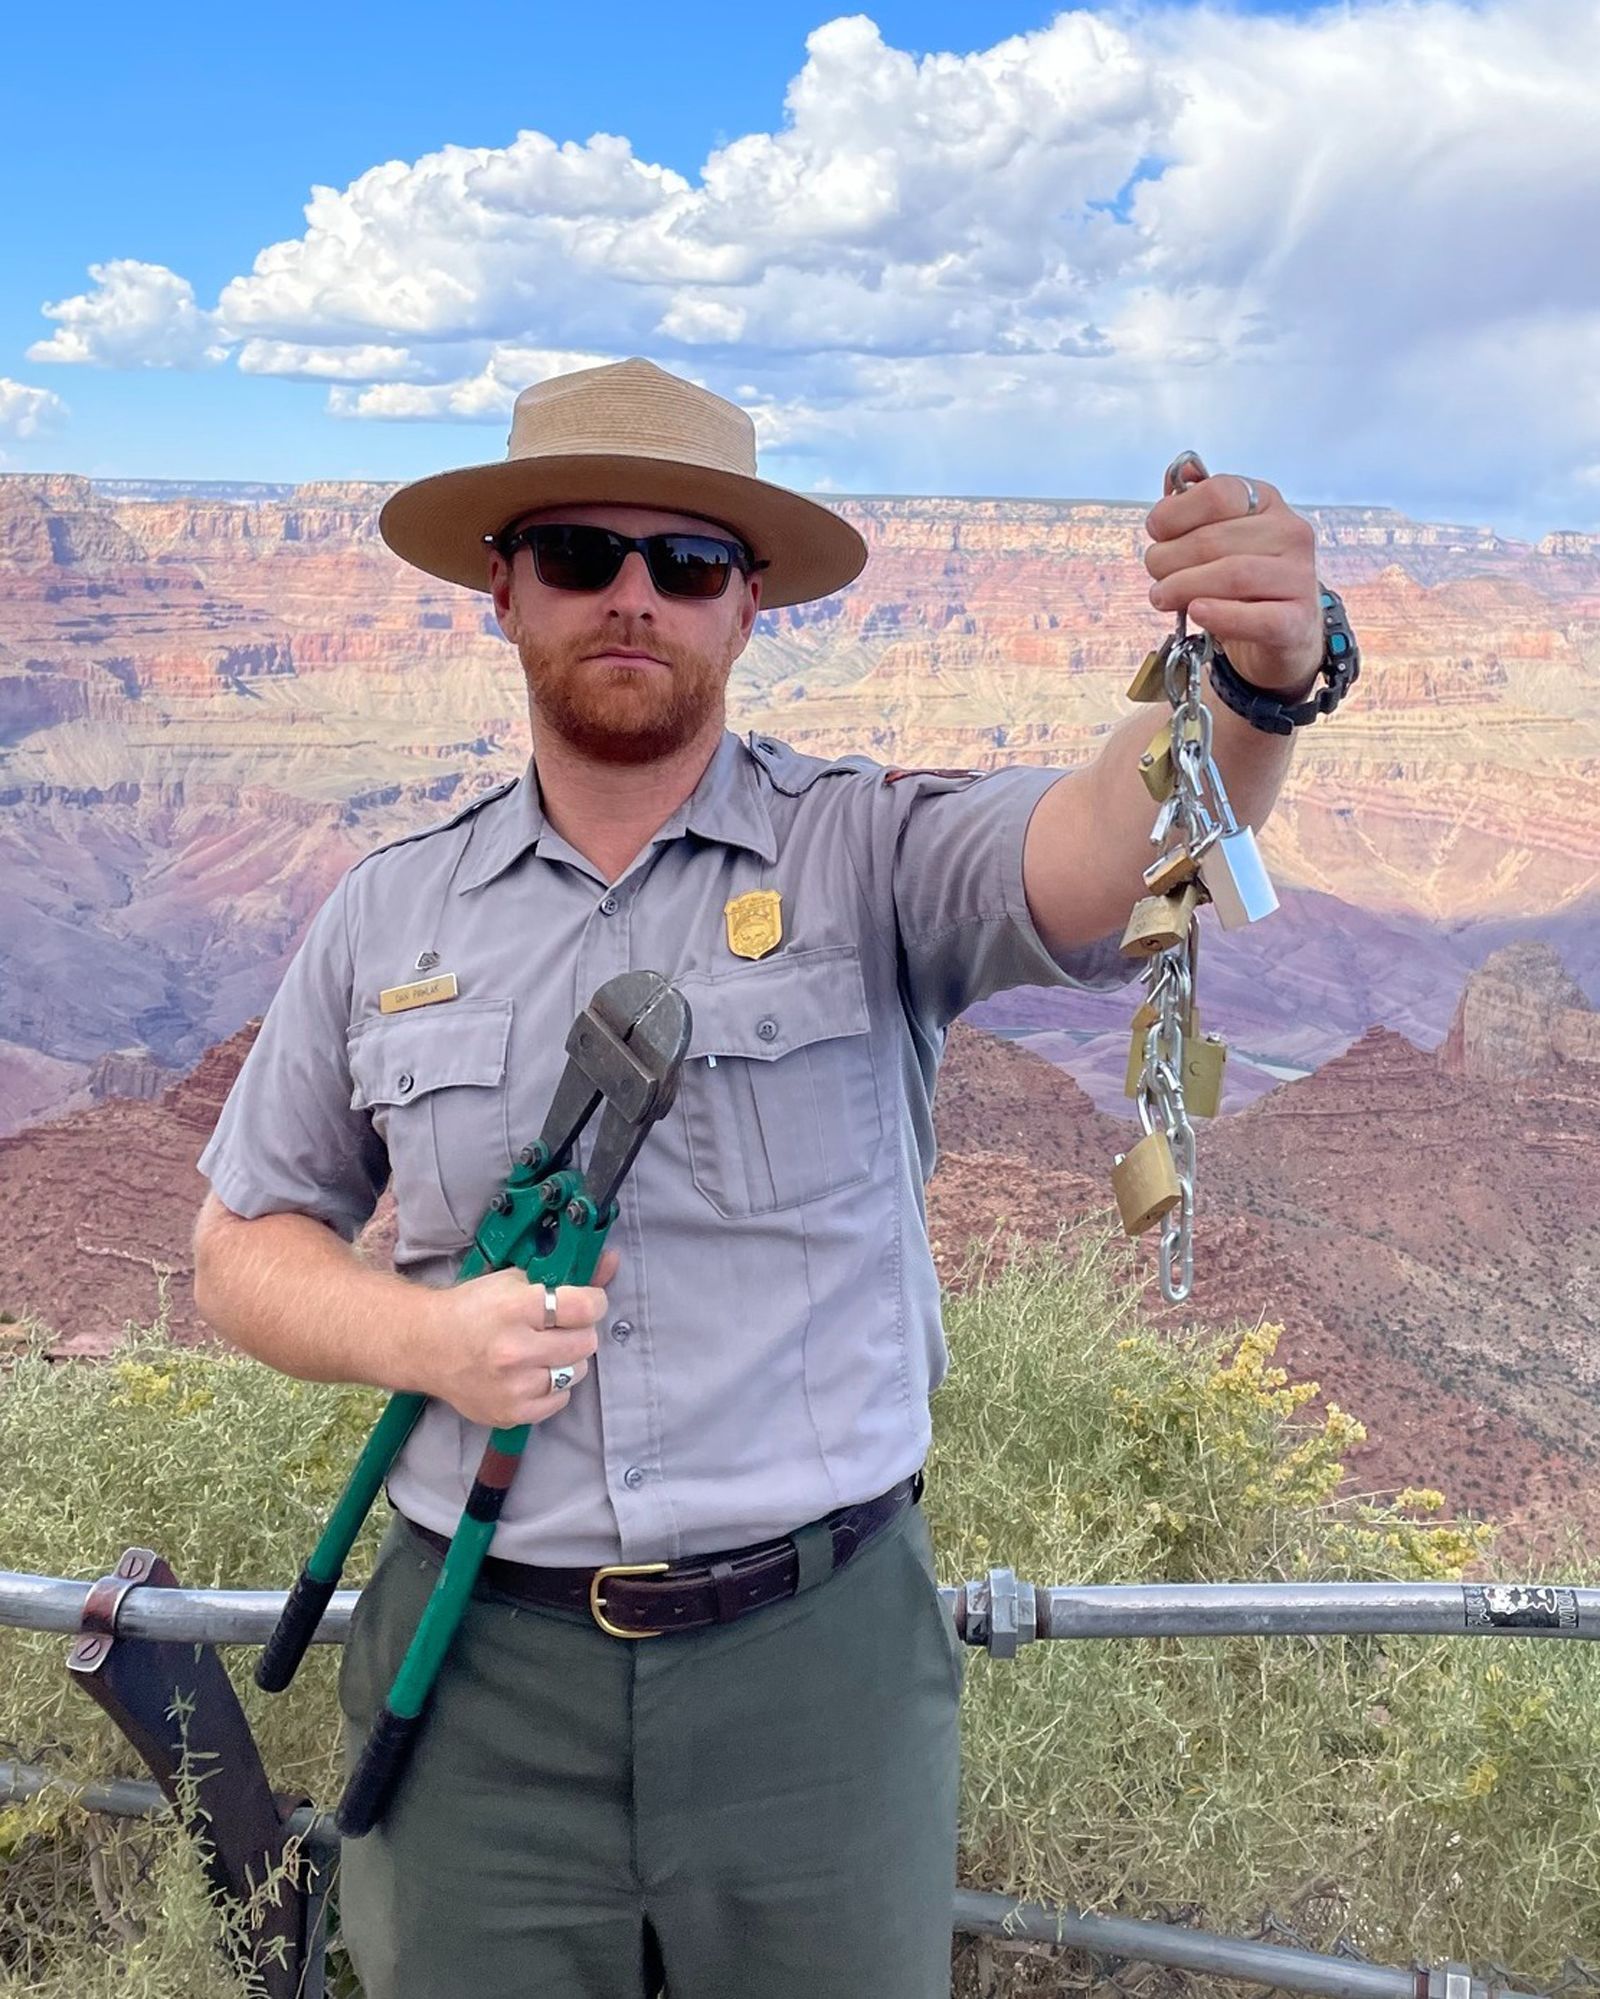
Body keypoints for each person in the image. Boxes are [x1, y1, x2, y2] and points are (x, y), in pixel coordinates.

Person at [191, 356, 1342, 1999]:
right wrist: (421, 1343)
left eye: (690, 563)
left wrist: (1257, 683)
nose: (634, 597)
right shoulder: (385, 916)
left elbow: (1103, 853)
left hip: (816, 1673)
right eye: (581, 557)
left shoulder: (866, 852)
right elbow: (240, 1243)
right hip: (472, 1668)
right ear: (502, 591)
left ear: (748, 610)